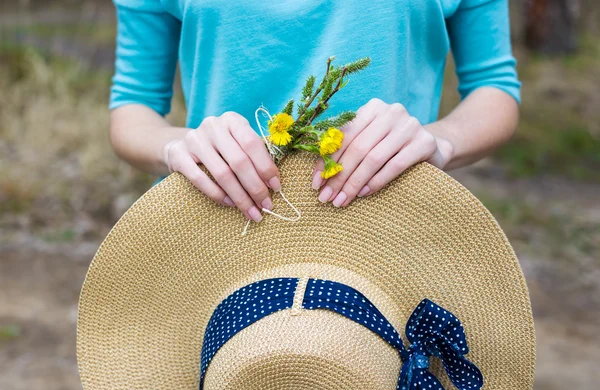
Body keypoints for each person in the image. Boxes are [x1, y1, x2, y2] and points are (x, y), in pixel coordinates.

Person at [109, 0, 521, 223]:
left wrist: (443, 143)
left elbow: (494, 86)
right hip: (222, 230)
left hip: (389, 232)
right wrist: (176, 146)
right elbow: (134, 104)